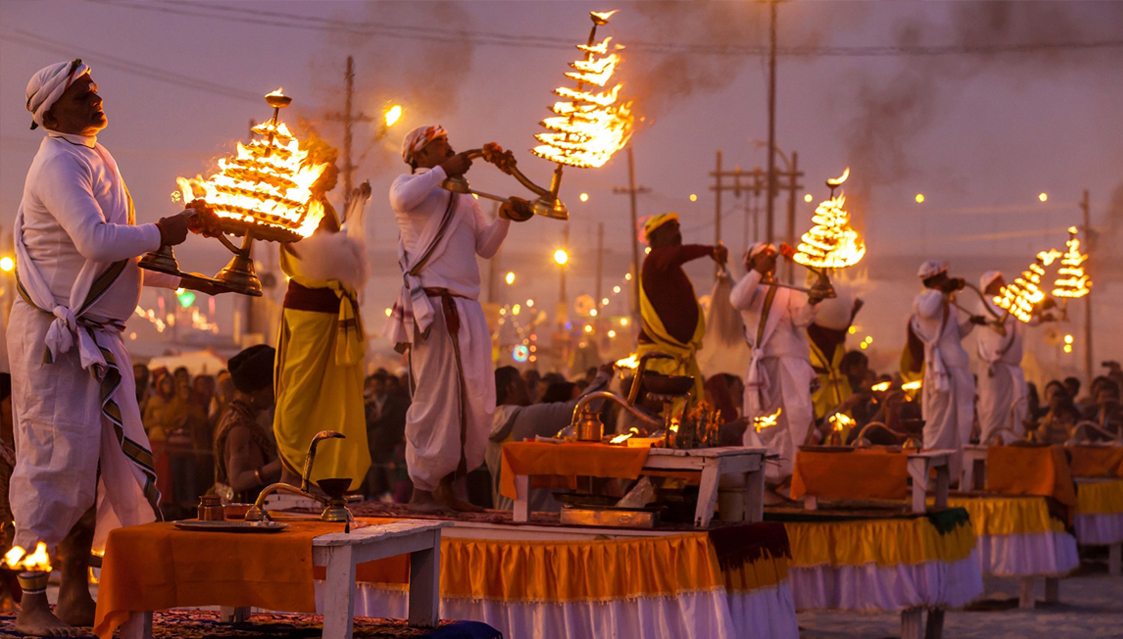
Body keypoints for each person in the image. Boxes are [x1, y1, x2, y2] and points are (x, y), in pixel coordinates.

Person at [7, 60, 219, 636]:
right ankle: (30, 602)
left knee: (108, 465)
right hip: (57, 343)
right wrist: (167, 230)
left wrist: (200, 280)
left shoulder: (97, 156)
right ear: (50, 113)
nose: (97, 101)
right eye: (83, 96)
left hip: (97, 340)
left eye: (95, 91)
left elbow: (121, 255)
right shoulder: (56, 161)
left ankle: (89, 589)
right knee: (54, 465)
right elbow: (97, 242)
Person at [385, 125, 530, 513]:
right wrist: (444, 171)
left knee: (475, 401)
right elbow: (402, 197)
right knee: (434, 401)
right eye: (439, 146)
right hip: (434, 310)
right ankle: (423, 490)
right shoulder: (409, 186)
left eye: (449, 144)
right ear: (418, 156)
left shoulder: (465, 199)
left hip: (468, 309)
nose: (449, 149)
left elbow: (485, 248)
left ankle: (451, 488)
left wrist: (505, 217)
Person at [273, 137, 371, 491]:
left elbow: (332, 250)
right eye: (331, 164)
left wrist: (356, 207)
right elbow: (313, 252)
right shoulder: (294, 203)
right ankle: (289, 470)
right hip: (309, 310)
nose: (337, 172)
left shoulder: (321, 205)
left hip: (331, 308)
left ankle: (313, 474)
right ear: (312, 164)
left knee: (327, 396)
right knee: (297, 392)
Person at [731, 243, 821, 484]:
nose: (770, 258)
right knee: (765, 425)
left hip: (791, 368)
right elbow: (737, 300)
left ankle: (793, 480)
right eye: (763, 256)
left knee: (798, 421)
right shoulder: (749, 289)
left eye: (772, 255)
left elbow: (801, 318)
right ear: (750, 263)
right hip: (764, 370)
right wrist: (757, 273)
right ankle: (767, 481)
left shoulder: (786, 289)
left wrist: (813, 301)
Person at [487, 364, 612, 510]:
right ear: (510, 389)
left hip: (505, 510)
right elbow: (579, 410)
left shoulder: (489, 427)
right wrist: (604, 376)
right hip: (537, 514)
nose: (530, 390)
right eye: (523, 384)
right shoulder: (526, 418)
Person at [637, 213, 728, 399]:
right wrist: (709, 251)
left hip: (679, 355)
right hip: (661, 357)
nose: (678, 232)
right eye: (671, 228)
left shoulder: (670, 267)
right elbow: (680, 253)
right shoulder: (655, 260)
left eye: (678, 227)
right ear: (656, 237)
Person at [910, 261, 984, 474]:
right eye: (942, 277)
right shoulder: (923, 300)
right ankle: (932, 471)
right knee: (937, 419)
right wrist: (941, 290)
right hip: (940, 370)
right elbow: (928, 310)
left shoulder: (948, 304)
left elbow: (954, 335)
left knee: (963, 418)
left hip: (957, 365)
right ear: (933, 280)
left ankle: (956, 470)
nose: (946, 279)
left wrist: (971, 322)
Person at [213, 346, 280, 504]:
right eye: (271, 389)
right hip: (242, 513)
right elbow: (236, 481)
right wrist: (280, 465)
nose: (275, 394)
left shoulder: (237, 415)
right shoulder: (239, 427)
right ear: (255, 392)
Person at [975, 271, 1036, 444]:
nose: (1004, 283)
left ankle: (1011, 444)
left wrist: (1041, 312)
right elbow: (1001, 319)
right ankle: (987, 448)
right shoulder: (985, 303)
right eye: (999, 281)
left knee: (1017, 407)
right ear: (990, 285)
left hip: (1013, 368)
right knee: (994, 410)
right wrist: (1023, 304)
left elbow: (1028, 318)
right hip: (995, 366)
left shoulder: (1005, 303)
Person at [365, 371, 409, 499]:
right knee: (374, 481)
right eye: (373, 385)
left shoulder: (395, 403)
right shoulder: (369, 404)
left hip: (390, 447)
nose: (375, 388)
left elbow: (397, 423)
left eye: (378, 385)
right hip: (373, 447)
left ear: (385, 386)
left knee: (392, 480)